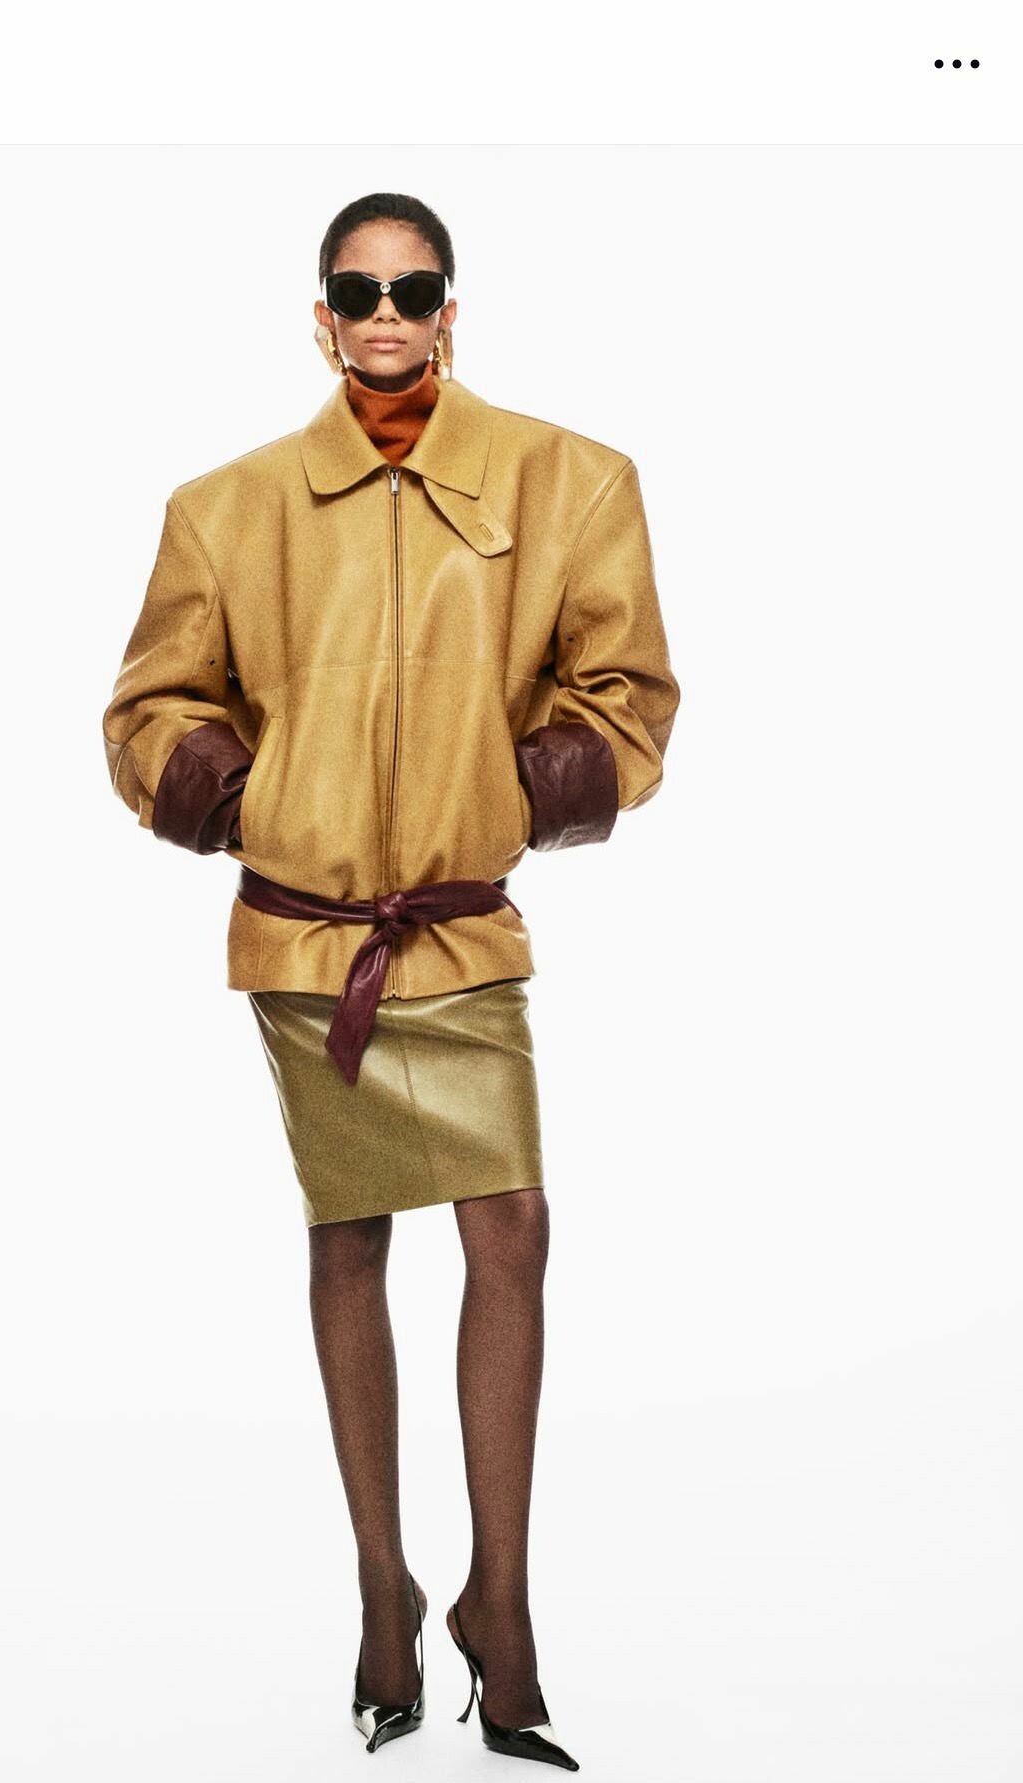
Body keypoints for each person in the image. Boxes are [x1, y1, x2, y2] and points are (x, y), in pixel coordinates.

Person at [102, 191, 680, 1767]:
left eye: (412, 290)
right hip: (309, 938)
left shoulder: (573, 480)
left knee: (513, 1230)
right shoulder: (225, 508)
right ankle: (382, 1588)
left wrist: (512, 795)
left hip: (457, 923)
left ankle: (505, 1602)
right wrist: (256, 801)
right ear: (319, 315)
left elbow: (626, 689)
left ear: (450, 310)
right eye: (356, 291)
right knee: (350, 1236)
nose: (384, 314)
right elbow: (150, 705)